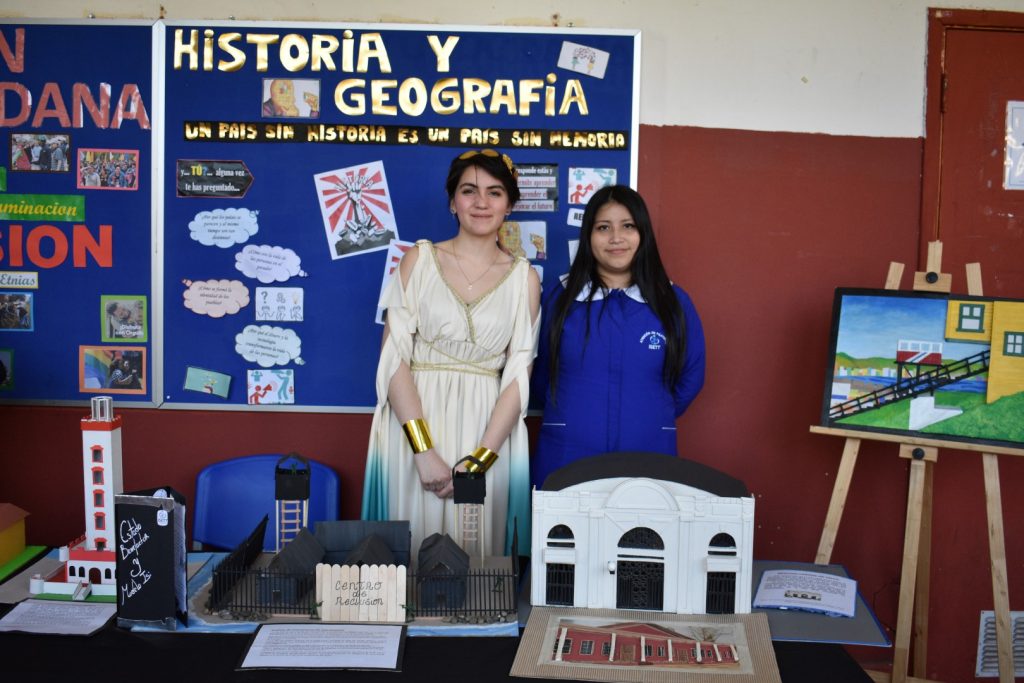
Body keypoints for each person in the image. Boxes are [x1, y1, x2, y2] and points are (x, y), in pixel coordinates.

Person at [361, 149, 541, 558]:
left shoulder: (524, 279)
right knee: (407, 556)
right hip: (415, 427)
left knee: (475, 563)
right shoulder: (418, 260)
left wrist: (479, 461)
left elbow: (518, 377)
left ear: (509, 206)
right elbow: (393, 359)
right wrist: (424, 451)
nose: (481, 202)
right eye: (469, 190)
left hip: (487, 432)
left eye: (495, 192)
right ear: (452, 202)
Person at [531, 185, 705, 488]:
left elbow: (690, 377)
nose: (616, 238)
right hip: (566, 452)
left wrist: (650, 412)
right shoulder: (559, 299)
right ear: (588, 235)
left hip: (649, 451)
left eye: (628, 226)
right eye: (603, 227)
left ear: (643, 233)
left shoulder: (673, 302)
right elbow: (539, 374)